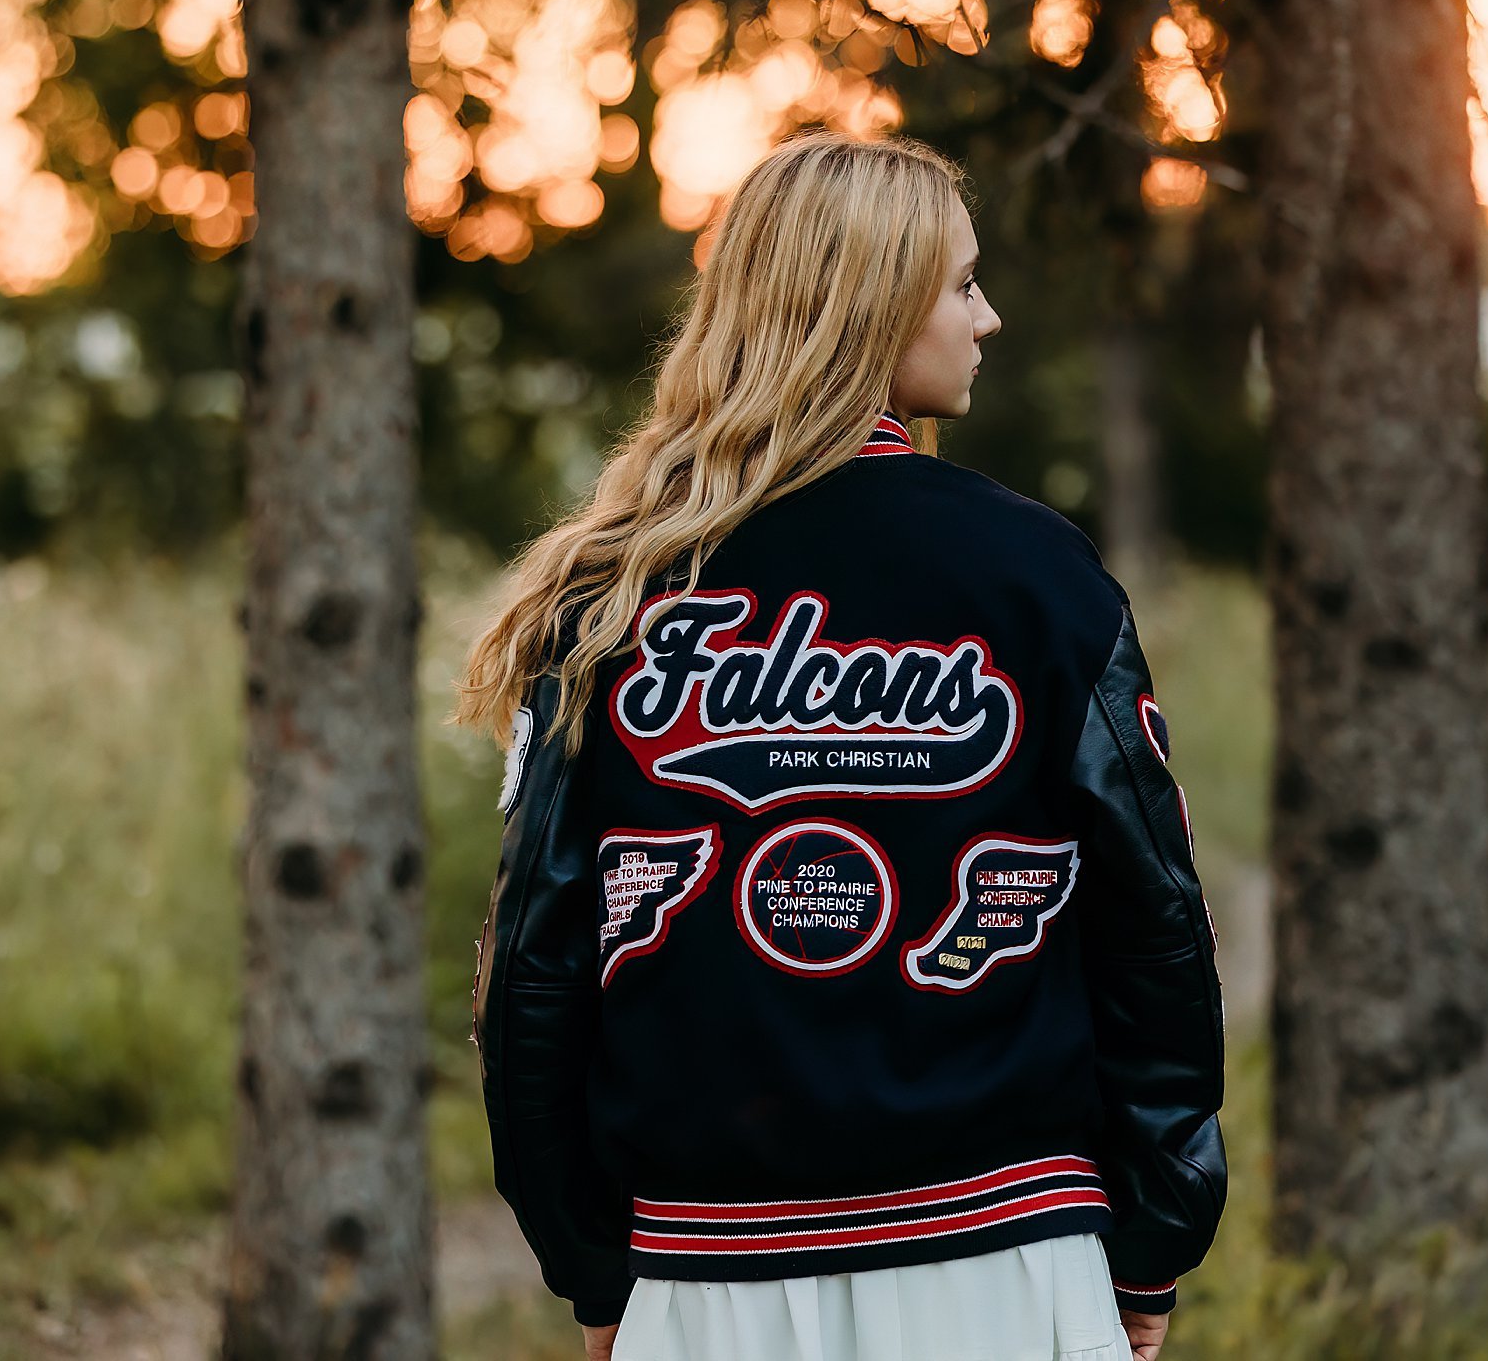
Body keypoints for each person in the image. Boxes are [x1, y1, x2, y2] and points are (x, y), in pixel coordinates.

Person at [455, 130, 1226, 1361]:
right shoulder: (1039, 574)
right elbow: (1152, 928)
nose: (987, 316)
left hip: (710, 1283)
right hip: (1005, 1267)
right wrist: (1152, 1236)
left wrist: (591, 1261)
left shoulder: (613, 588)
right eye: (961, 283)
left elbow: (536, 969)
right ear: (871, 307)